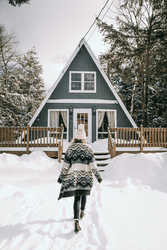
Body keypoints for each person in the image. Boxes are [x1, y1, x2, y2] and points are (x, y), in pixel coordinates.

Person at [57, 124, 102, 233]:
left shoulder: (70, 148)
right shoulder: (88, 148)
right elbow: (93, 165)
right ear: (84, 137)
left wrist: (61, 177)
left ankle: (76, 220)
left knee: (76, 198)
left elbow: (66, 165)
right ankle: (82, 211)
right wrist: (98, 176)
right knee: (84, 194)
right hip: (85, 177)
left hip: (74, 177)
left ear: (75, 137)